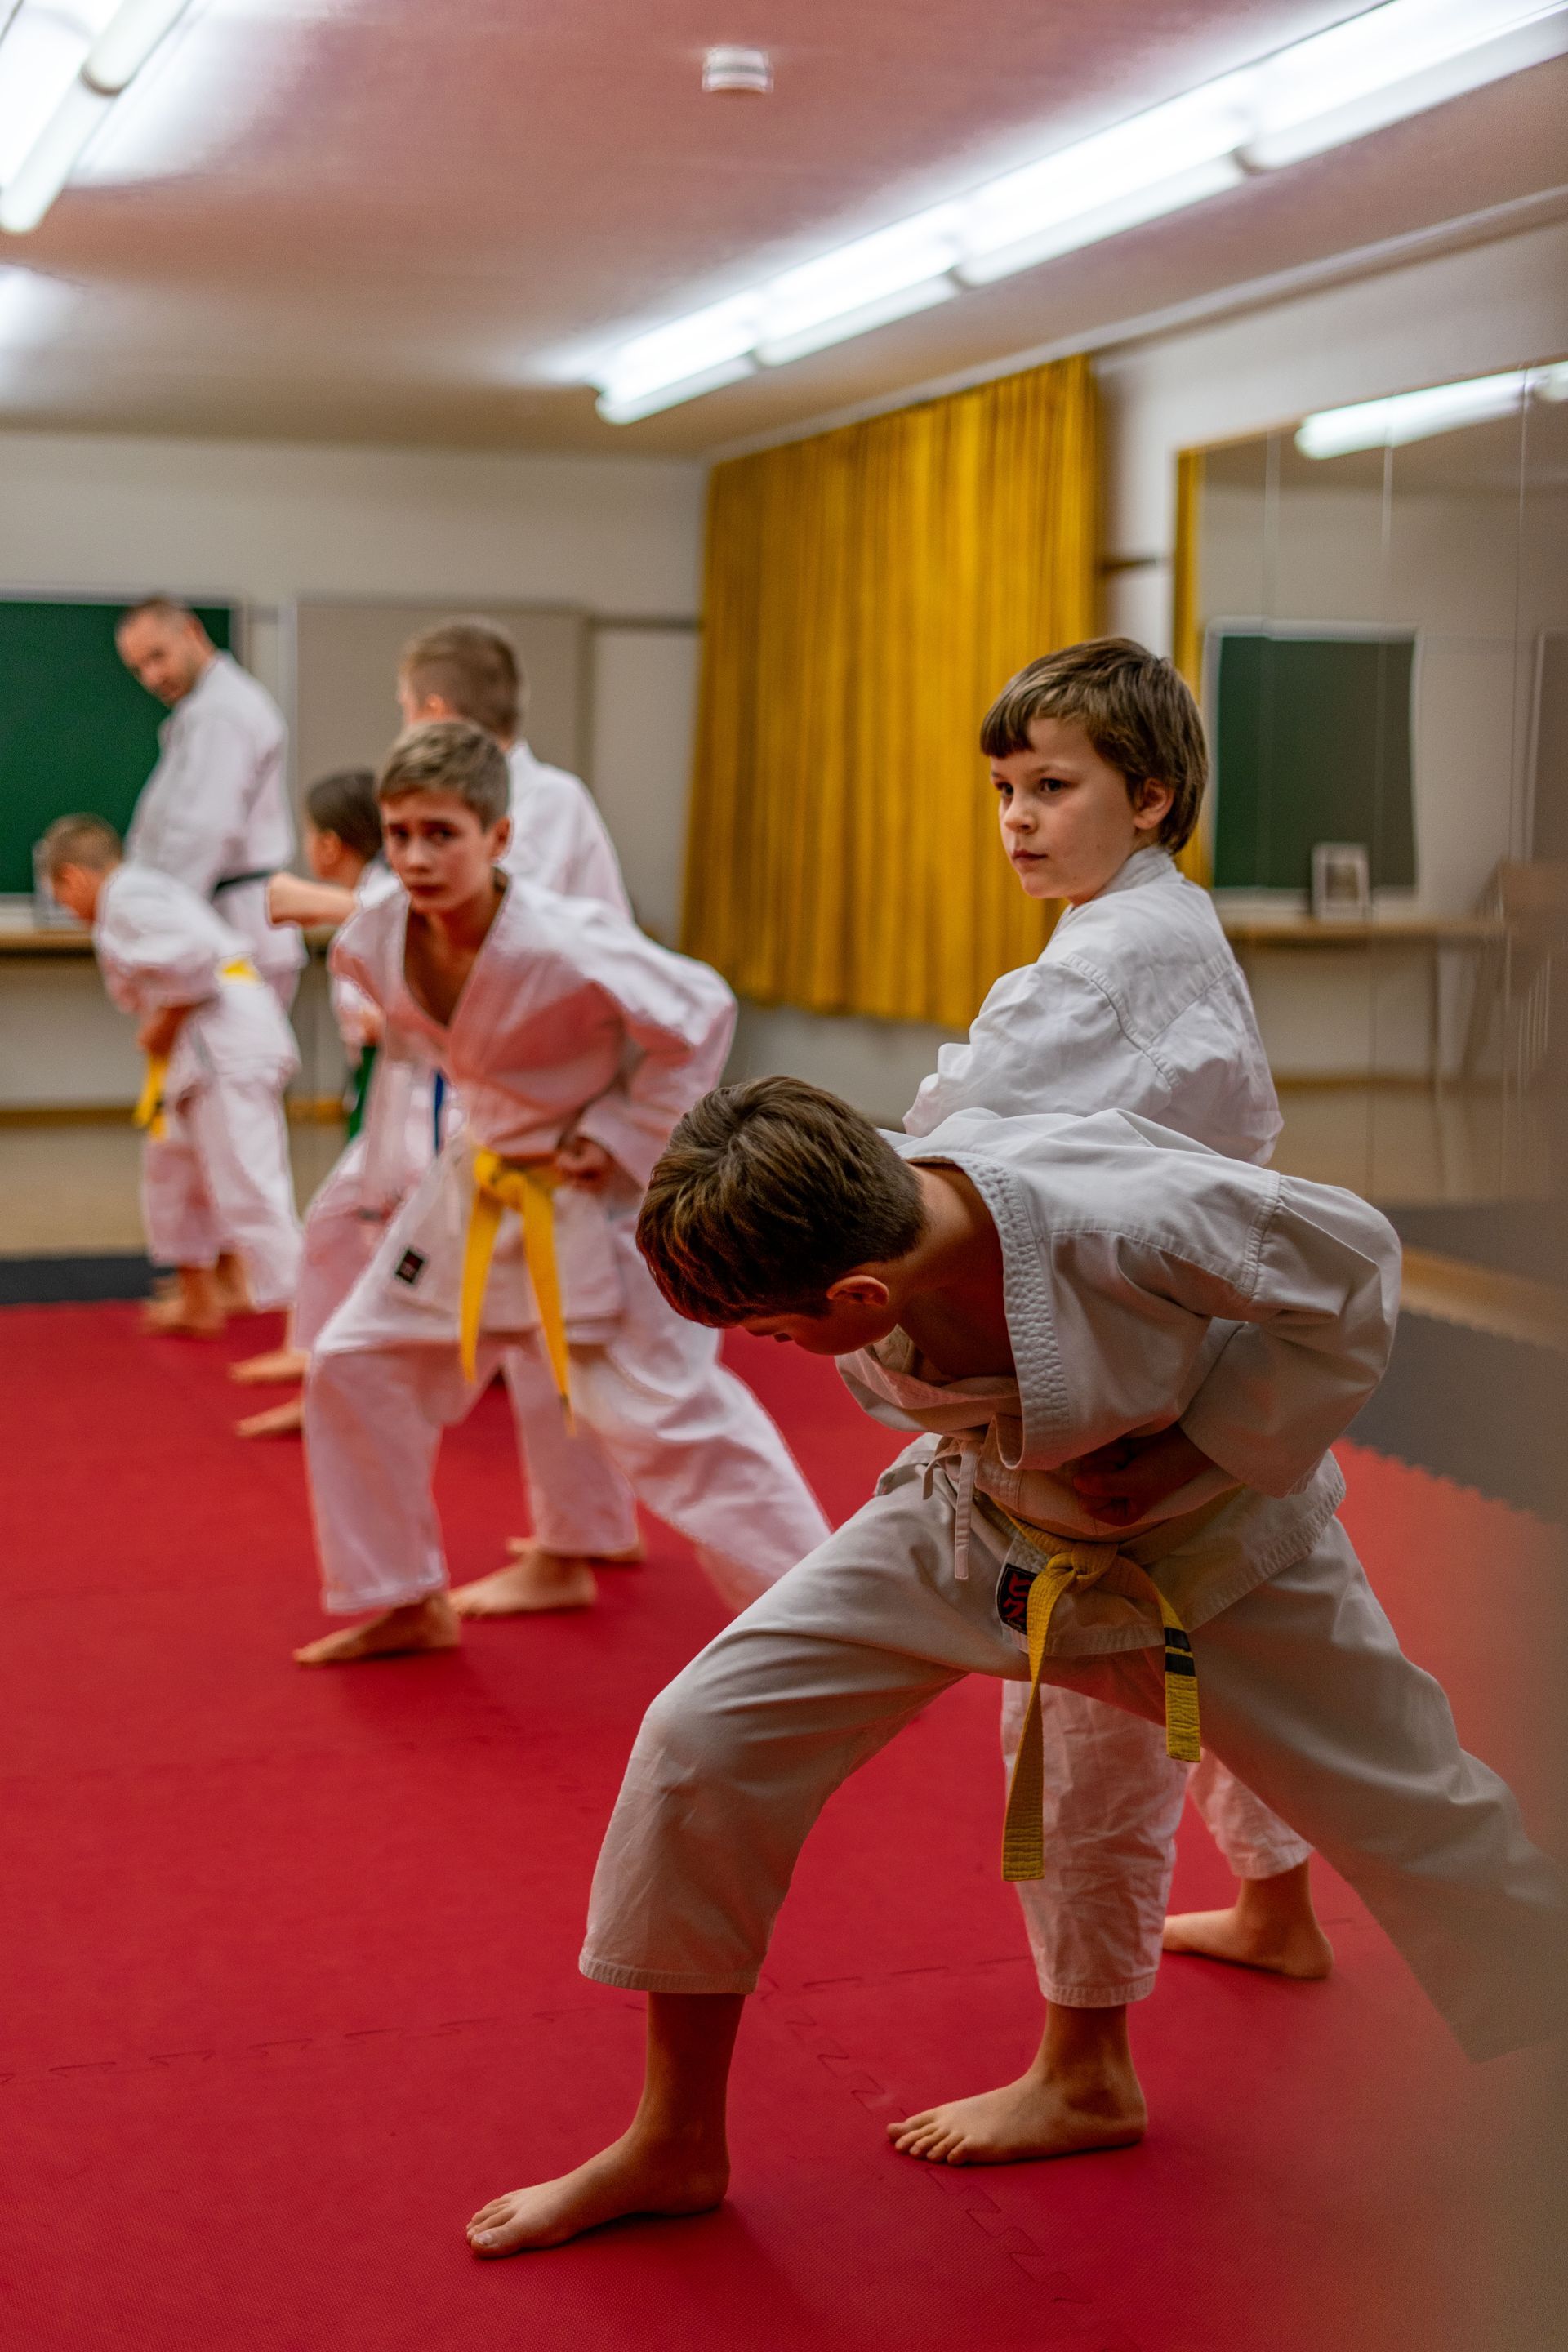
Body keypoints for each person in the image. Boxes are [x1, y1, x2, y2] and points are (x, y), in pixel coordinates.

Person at [464, 1076, 1565, 2255]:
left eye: (776, 1333)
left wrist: (1200, 1445)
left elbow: (1351, 1272)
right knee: (703, 1735)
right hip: (983, 1524)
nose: (775, 1352)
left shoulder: (1126, 1216)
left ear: (861, 1296)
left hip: (1218, 1560)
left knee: (1423, 1817)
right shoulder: (866, 1189)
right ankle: (674, 2141)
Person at [894, 640, 1326, 2171]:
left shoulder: (1097, 966)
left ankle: (1086, 2065)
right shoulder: (1150, 927)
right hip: (1188, 1375)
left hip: (1133, 1403)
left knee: (1078, 1706)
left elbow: (953, 1149)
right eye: (1004, 788)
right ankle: (1274, 1904)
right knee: (1200, 1665)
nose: (1016, 817)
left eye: (1051, 787)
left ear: (1150, 797)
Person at [294, 721, 829, 1667]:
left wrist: (623, 1135)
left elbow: (699, 1010)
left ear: (499, 840)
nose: (416, 856)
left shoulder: (561, 938)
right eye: (401, 833)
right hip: (484, 1174)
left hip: (593, 1197)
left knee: (663, 1417)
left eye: (442, 834)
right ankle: (405, 1596)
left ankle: (833, 1621)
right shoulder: (375, 930)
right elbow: (415, 1040)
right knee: (354, 1361)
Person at [393, 619, 648, 1610]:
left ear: (437, 712)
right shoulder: (555, 798)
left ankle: (569, 1548)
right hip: (552, 1096)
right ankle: (584, 1529)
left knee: (569, 1339)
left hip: (553, 1103)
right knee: (562, 1336)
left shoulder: (523, 809)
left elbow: (508, 946)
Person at [42, 814, 301, 1337]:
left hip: (225, 1042)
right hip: (203, 1046)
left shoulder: (129, 897)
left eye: (61, 897)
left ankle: (309, 1328)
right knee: (172, 1176)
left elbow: (197, 961)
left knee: (251, 1187)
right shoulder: (134, 894)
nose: (67, 911)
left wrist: (164, 1024)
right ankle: (201, 1297)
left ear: (72, 878)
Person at [231, 768, 399, 1435]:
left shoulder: (383, 896)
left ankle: (346, 1387)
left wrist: (381, 1024)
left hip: (416, 1096)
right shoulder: (370, 896)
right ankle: (315, 1364)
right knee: (334, 1228)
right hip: (388, 1090)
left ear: (328, 844)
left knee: (374, 1238)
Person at [118, 598, 302, 1004]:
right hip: (222, 920)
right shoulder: (204, 709)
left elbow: (203, 829)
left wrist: (160, 925)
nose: (152, 677)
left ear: (192, 632)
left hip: (233, 925)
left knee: (238, 1066)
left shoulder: (222, 712)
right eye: (138, 669)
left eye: (158, 657)